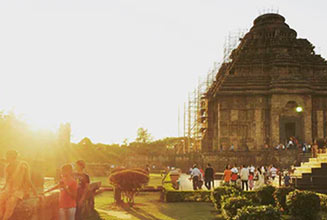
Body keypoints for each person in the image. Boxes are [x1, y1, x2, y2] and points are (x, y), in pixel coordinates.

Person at [0, 150, 39, 220]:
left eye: (8, 156)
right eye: (7, 156)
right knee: (1, 200)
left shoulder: (23, 164)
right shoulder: (7, 166)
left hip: (19, 190)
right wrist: (4, 189)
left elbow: (28, 180)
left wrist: (35, 193)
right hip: (8, 189)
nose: (6, 158)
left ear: (13, 156)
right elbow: (7, 181)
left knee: (10, 203)